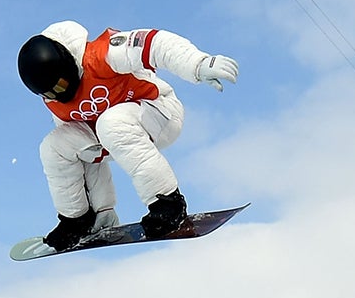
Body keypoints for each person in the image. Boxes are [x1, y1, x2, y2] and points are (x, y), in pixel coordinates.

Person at [17, 22, 239, 250]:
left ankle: (167, 204)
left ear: (67, 63)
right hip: (115, 135)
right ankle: (81, 220)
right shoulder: (57, 103)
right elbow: (87, 159)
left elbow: (155, 44)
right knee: (55, 147)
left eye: (61, 84)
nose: (60, 93)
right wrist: (101, 209)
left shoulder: (102, 55)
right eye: (50, 93)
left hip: (160, 112)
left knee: (110, 123)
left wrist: (197, 64)